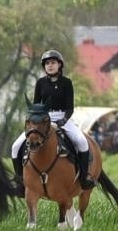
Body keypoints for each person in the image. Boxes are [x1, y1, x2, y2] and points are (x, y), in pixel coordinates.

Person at [10, 50, 95, 190]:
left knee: (81, 141)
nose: (50, 65)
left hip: (63, 118)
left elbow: (70, 108)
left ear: (59, 65)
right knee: (15, 146)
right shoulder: (40, 83)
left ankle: (84, 177)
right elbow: (36, 105)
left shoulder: (67, 83)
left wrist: (64, 120)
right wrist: (32, 121)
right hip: (43, 119)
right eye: (47, 63)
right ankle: (20, 181)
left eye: (53, 63)